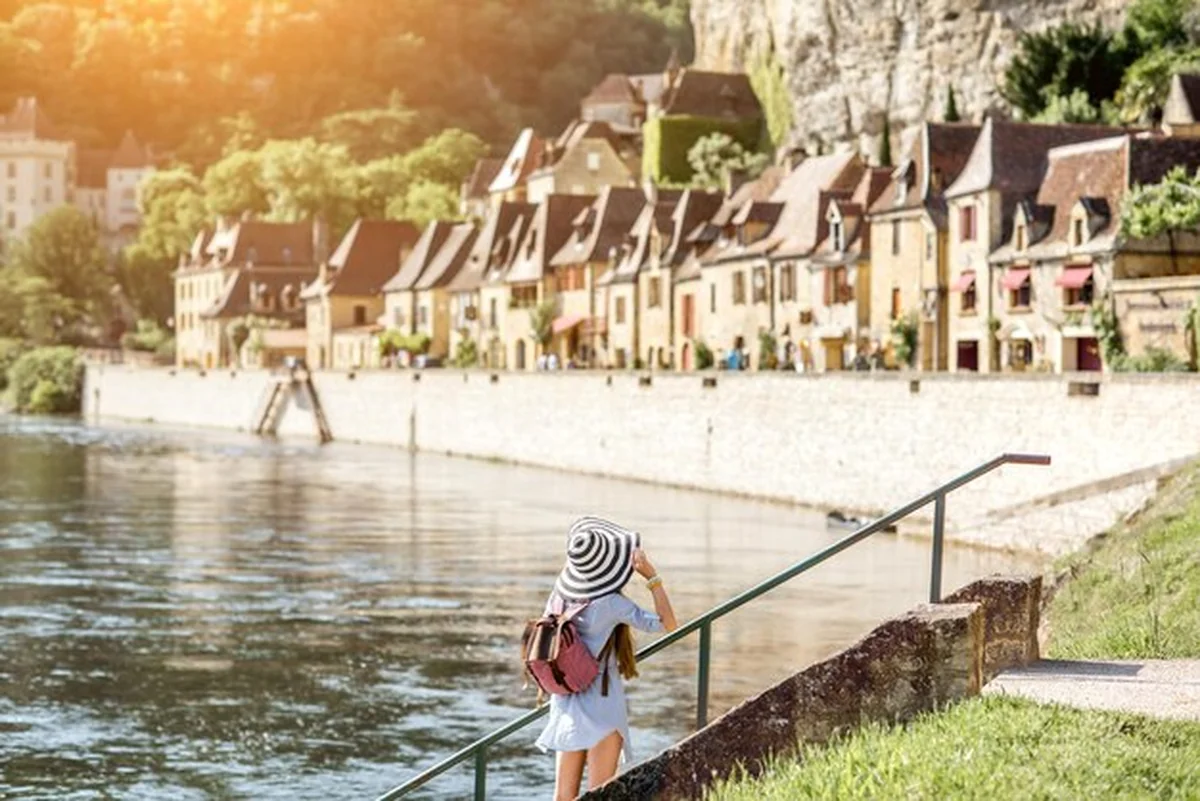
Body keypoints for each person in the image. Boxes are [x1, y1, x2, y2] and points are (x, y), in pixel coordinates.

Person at [535, 517, 678, 800]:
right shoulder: (610, 603)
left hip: (565, 701)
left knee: (563, 797)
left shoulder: (559, 595)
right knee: (600, 795)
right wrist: (652, 577)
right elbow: (668, 623)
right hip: (601, 704)